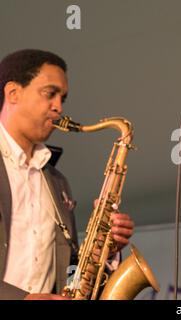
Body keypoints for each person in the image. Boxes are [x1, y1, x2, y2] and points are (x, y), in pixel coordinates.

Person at [0, 49, 135, 299]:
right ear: (13, 93)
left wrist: (100, 253)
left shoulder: (57, 182)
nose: (58, 107)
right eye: (49, 94)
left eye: (62, 98)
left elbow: (69, 272)